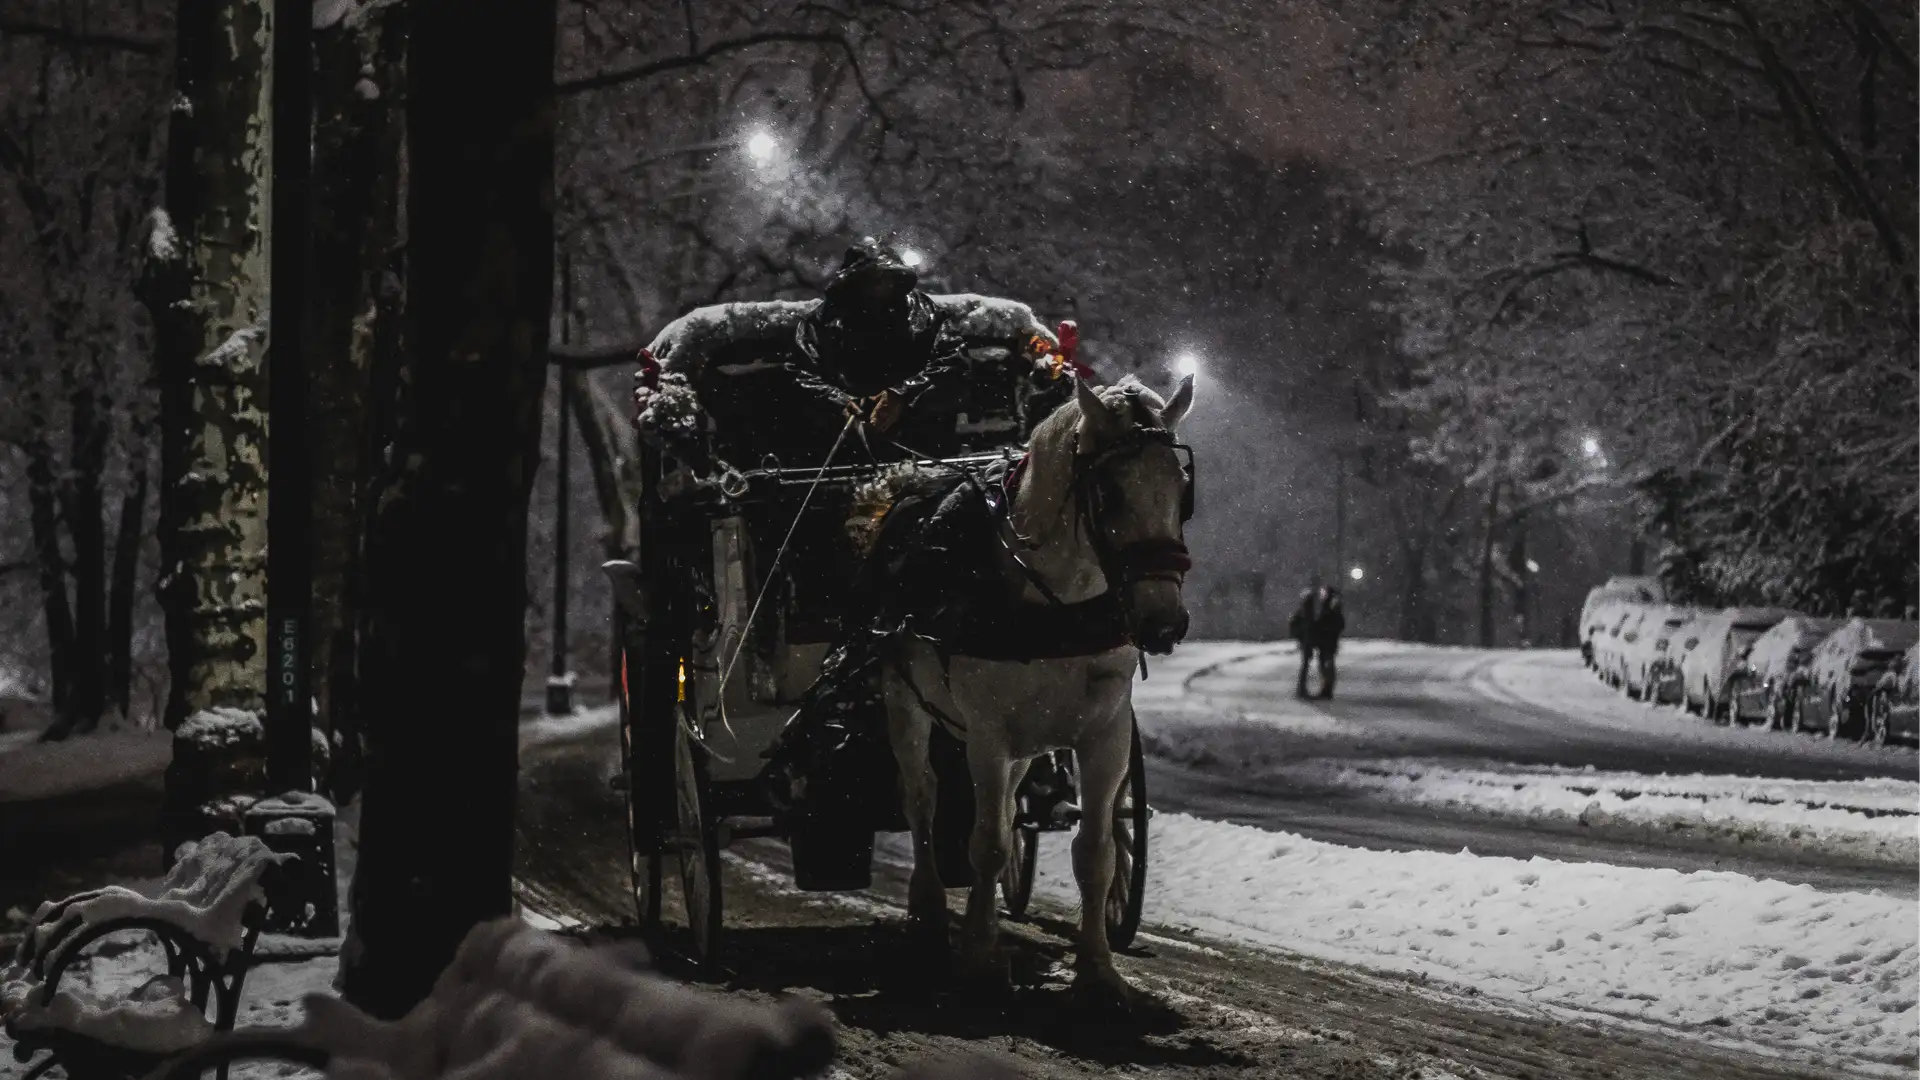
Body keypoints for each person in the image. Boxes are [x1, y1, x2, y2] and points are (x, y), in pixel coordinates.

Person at [1289, 583, 1345, 700]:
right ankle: (1324, 689)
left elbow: (1332, 623)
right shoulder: (1321, 609)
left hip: (1319, 641)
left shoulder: (1322, 608)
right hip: (1320, 640)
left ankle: (1322, 689)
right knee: (1324, 664)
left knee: (1321, 664)